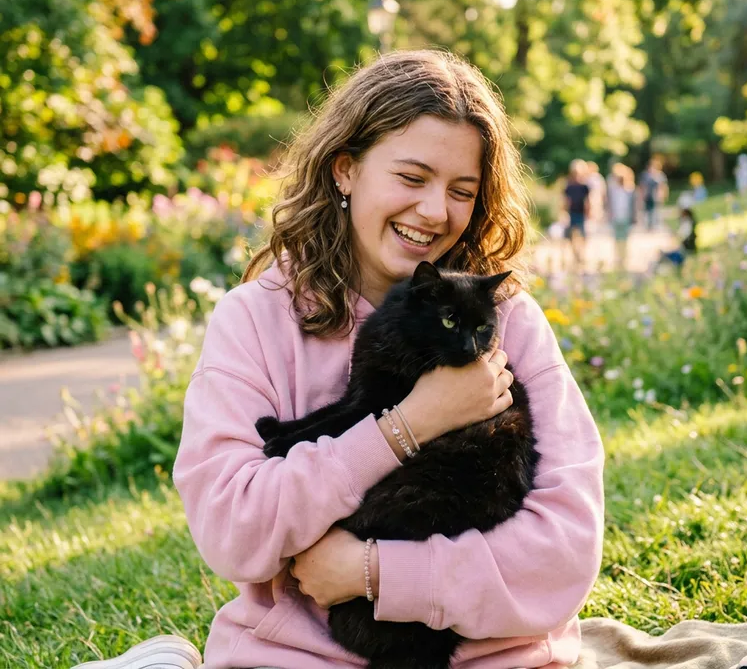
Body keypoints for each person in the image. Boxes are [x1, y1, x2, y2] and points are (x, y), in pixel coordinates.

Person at [71, 50, 604, 669]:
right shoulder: (255, 319)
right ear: (345, 170)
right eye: (411, 178)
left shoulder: (506, 319)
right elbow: (232, 530)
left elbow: (566, 548)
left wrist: (377, 572)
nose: (436, 212)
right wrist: (405, 428)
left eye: (462, 190)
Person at [605, 162, 636, 272]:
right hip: (616, 217)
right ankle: (618, 258)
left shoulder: (630, 191)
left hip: (626, 217)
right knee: (617, 239)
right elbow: (609, 204)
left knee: (625, 239)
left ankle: (624, 259)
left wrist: (634, 218)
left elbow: (633, 206)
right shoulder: (613, 190)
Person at [563, 158, 591, 268]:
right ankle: (575, 255)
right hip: (572, 212)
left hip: (581, 213)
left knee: (583, 234)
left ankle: (582, 254)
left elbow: (588, 200)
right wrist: (563, 212)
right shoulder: (568, 185)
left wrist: (589, 211)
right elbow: (565, 200)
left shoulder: (585, 186)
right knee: (571, 235)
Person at [656, 198, 697, 271]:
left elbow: (680, 236)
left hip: (685, 251)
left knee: (664, 255)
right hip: (683, 249)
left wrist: (672, 232)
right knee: (663, 254)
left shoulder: (687, 223)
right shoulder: (688, 222)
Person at [638, 157, 668, 231]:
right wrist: (641, 196)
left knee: (656, 211)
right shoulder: (645, 175)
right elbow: (642, 186)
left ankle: (655, 226)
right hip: (647, 196)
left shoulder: (660, 175)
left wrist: (663, 195)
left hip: (656, 196)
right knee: (647, 211)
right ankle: (648, 226)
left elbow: (663, 186)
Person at [584, 160, 607, 230]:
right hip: (596, 199)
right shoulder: (598, 178)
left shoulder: (592, 178)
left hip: (593, 199)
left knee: (592, 217)